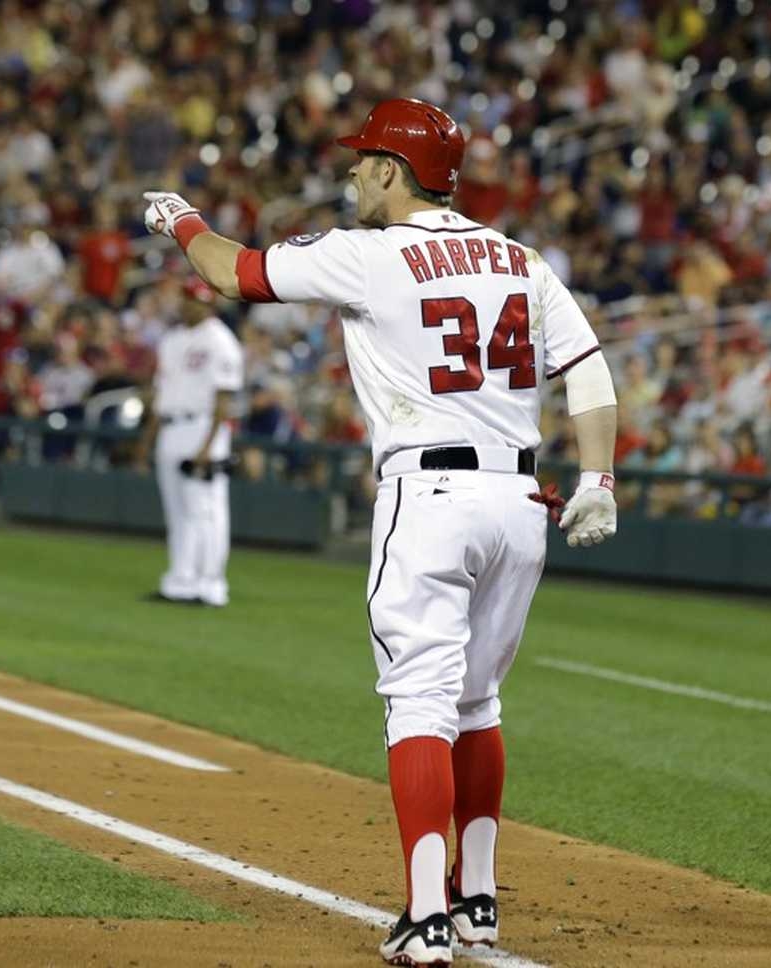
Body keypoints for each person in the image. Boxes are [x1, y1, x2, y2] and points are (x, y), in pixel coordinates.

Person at [142, 98, 618, 967]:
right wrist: (600, 478)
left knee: (419, 707)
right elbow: (588, 370)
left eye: (364, 160)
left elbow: (230, 273)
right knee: (479, 703)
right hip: (518, 503)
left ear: (393, 172)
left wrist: (180, 219)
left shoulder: (369, 254)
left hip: (428, 495)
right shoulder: (519, 259)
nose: (353, 171)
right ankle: (476, 906)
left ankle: (427, 918)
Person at [134, 277, 243, 608]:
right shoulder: (172, 339)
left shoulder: (221, 340)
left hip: (202, 427)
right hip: (171, 427)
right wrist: (146, 442)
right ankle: (180, 581)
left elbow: (223, 398)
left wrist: (208, 447)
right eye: (185, 298)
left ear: (209, 304)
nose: (187, 304)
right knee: (178, 511)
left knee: (205, 511)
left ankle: (210, 585)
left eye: (194, 299)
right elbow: (160, 394)